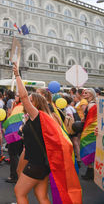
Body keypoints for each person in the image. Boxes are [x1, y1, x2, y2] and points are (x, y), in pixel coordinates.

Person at [12, 63, 81, 204]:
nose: (27, 103)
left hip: (36, 163)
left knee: (19, 192)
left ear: (36, 104)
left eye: (31, 101)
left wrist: (18, 75)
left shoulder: (38, 116)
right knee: (41, 195)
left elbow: (24, 97)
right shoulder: (41, 118)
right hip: (43, 163)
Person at [4, 93, 24, 183]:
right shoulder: (21, 106)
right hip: (21, 134)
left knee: (13, 154)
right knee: (18, 155)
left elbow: (10, 118)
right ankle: (19, 175)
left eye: (17, 95)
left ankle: (14, 176)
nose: (15, 97)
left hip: (15, 133)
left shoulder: (19, 107)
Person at [80, 88, 98, 180]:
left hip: (90, 131)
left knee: (88, 150)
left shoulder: (91, 105)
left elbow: (92, 120)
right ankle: (91, 172)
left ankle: (90, 173)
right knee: (91, 150)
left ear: (91, 94)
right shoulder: (92, 104)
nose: (84, 94)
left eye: (86, 93)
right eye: (84, 93)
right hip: (90, 130)